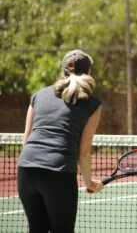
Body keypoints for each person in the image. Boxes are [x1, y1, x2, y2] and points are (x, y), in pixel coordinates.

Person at [17, 49, 104, 233]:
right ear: (89, 72)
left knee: (37, 229)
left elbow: (26, 141)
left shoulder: (38, 95)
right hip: (59, 173)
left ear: (62, 69)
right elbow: (84, 152)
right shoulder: (93, 104)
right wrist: (89, 182)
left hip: (26, 170)